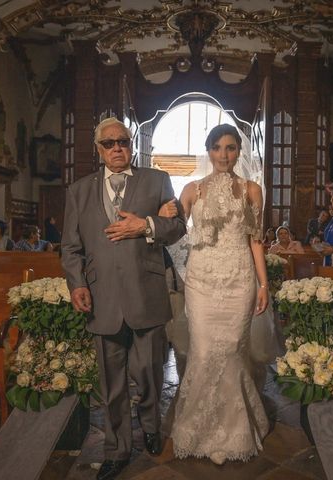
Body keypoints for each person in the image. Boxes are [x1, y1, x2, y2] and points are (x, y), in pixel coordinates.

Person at [61, 117, 186, 480]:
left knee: (148, 372)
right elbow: (71, 247)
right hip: (101, 298)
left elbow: (177, 228)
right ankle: (117, 449)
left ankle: (150, 424)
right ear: (98, 149)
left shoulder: (157, 181)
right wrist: (77, 284)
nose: (118, 148)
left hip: (145, 293)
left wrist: (146, 225)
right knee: (110, 382)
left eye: (124, 141)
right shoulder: (79, 191)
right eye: (109, 143)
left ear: (131, 145)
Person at [170, 123, 269, 466]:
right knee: (203, 351)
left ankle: (234, 431)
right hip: (201, 283)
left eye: (230, 148)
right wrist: (164, 214)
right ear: (208, 151)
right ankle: (198, 430)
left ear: (239, 151)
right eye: (217, 148)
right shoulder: (192, 189)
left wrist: (263, 283)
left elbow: (255, 240)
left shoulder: (252, 190)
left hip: (239, 280)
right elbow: (173, 229)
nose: (224, 155)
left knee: (230, 353)